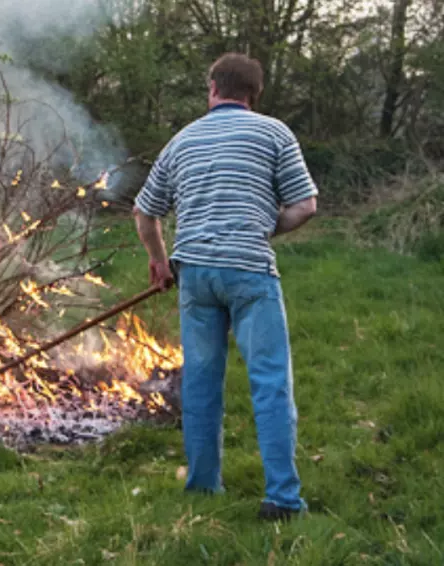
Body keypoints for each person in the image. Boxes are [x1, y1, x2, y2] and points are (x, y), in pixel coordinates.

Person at [131, 52, 318, 521]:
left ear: (213, 88)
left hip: (194, 273)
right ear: (254, 94)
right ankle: (282, 500)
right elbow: (305, 205)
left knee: (201, 381)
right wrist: (261, 226)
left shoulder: (182, 140)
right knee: (270, 383)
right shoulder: (275, 132)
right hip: (250, 272)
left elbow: (144, 212)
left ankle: (203, 488)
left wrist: (159, 261)